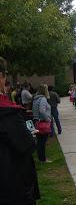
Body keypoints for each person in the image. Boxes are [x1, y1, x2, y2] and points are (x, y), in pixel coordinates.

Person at [0, 57, 40, 204]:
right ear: (1, 76)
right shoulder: (7, 113)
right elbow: (27, 145)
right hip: (11, 185)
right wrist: (31, 136)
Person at [32, 84, 52, 163]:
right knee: (42, 142)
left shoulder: (36, 98)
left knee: (39, 142)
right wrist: (48, 119)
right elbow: (42, 110)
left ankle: (41, 158)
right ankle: (43, 159)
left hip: (37, 121)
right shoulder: (43, 99)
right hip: (42, 122)